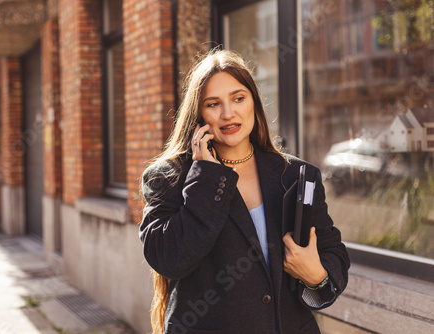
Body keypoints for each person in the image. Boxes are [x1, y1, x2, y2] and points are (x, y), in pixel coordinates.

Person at [139, 49, 350, 334]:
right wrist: (206, 178)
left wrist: (317, 276)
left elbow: (333, 252)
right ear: (198, 114)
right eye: (213, 104)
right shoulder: (168, 178)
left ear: (254, 103)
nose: (228, 113)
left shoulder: (298, 176)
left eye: (239, 98)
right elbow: (168, 259)